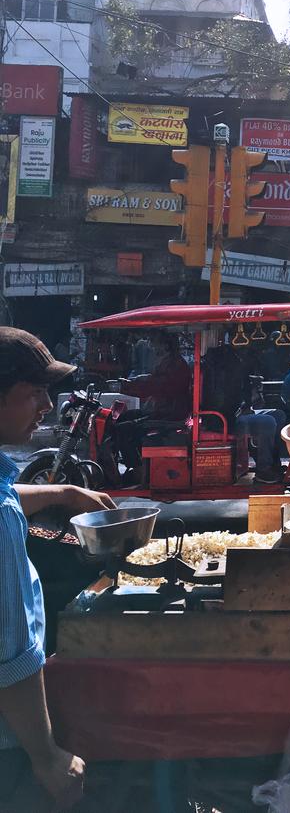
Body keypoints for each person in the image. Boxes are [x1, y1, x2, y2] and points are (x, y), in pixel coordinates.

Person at [0, 327, 116, 812]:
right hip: (12, 747)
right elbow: (11, 653)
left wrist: (64, 493)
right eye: (34, 394)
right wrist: (47, 755)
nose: (47, 407)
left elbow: (9, 493)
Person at [120, 333, 192, 421]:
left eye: (155, 343)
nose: (152, 346)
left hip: (168, 413)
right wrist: (133, 381)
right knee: (124, 417)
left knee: (124, 425)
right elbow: (153, 379)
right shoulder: (169, 362)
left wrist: (125, 386)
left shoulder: (174, 365)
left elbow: (153, 386)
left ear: (166, 346)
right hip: (162, 410)